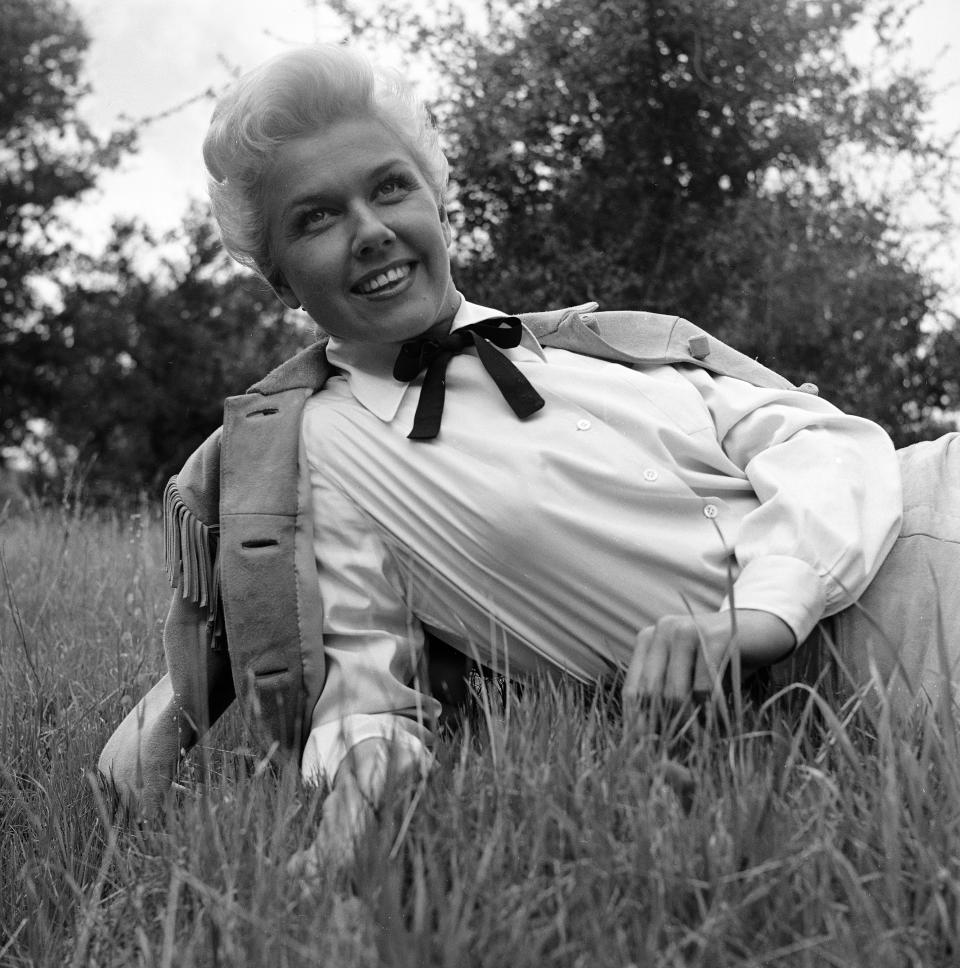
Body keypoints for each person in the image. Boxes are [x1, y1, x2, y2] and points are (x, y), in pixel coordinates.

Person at [98, 44, 960, 872]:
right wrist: (350, 811)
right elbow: (368, 692)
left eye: (390, 188)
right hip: (872, 663)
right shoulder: (325, 446)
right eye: (316, 217)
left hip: (924, 513)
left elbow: (831, 442)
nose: (369, 231)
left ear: (436, 203)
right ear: (279, 279)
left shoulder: (602, 345)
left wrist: (768, 606)